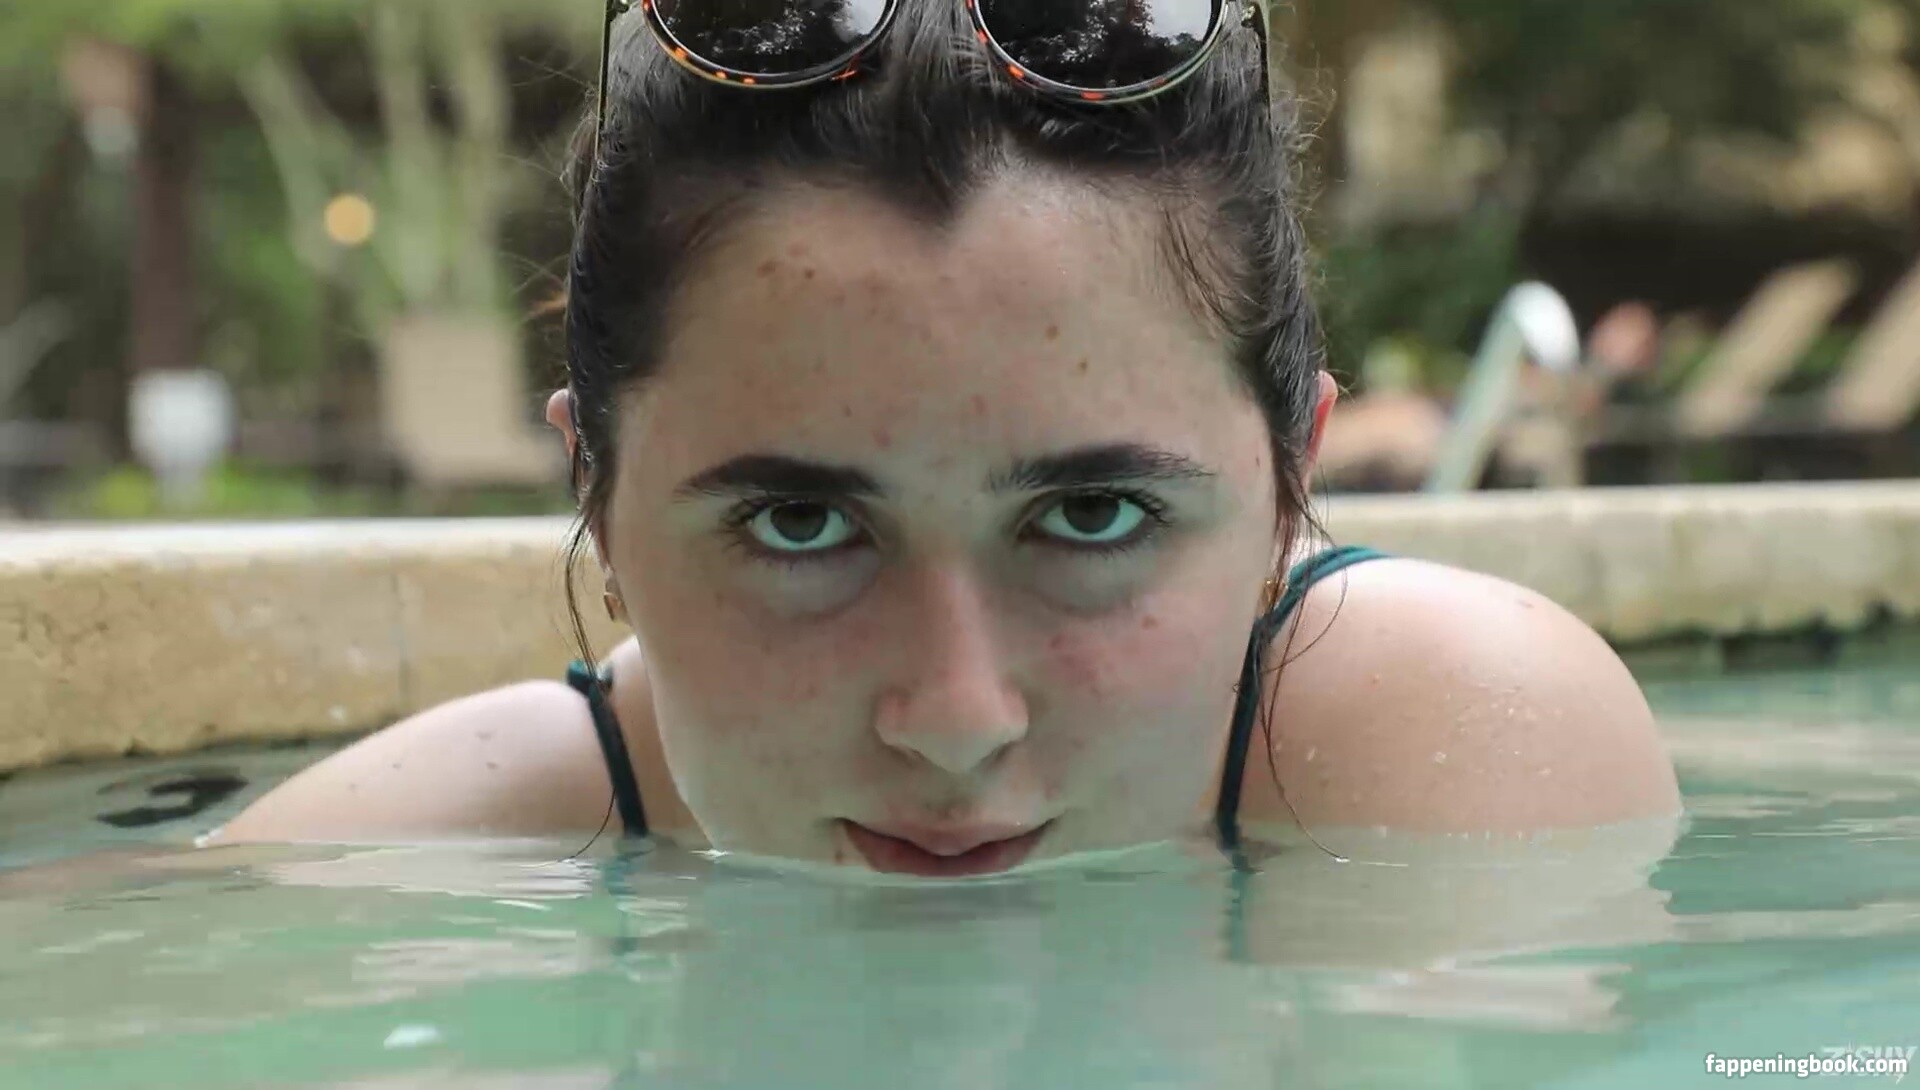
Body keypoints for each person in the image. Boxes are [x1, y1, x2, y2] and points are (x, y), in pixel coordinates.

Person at [214, 0, 1679, 873]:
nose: (958, 715)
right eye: (800, 524)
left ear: (1292, 484)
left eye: (1095, 515)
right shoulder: (394, 865)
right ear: (595, 500)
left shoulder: (1464, 749)